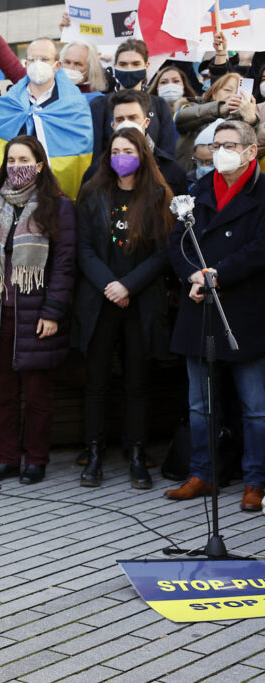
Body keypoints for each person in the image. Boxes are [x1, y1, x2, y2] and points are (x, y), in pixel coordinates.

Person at [164, 121, 265, 513]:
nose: (220, 151)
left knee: (255, 407)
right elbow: (177, 241)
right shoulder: (198, 190)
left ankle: (256, 480)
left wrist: (218, 275)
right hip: (199, 307)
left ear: (250, 151)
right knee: (199, 404)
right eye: (216, 144)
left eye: (229, 145)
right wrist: (192, 274)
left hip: (246, 311)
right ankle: (202, 473)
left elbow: (259, 248)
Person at [0, 136, 76, 485]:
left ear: (40, 164)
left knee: (38, 396)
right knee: (3, 395)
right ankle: (8, 459)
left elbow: (65, 264)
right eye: (10, 160)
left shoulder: (59, 206)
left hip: (37, 314)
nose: (16, 166)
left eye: (23, 159)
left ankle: (36, 460)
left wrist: (53, 311)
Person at [73, 128, 173, 488]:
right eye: (115, 150)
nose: (120, 156)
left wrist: (128, 285)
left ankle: (136, 454)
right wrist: (110, 285)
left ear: (142, 154)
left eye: (127, 150)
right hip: (100, 301)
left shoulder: (159, 195)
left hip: (140, 301)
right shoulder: (93, 193)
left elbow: (164, 253)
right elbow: (83, 249)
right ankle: (95, 453)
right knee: (96, 382)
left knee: (137, 383)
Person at [82, 89, 188, 198]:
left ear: (146, 123)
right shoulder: (95, 174)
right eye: (120, 119)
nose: (126, 123)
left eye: (133, 118)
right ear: (113, 126)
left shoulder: (172, 172)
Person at [90, 39, 177, 161]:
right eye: (123, 64)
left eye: (136, 64)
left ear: (147, 66)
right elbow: (95, 155)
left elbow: (167, 155)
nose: (129, 69)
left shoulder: (159, 105)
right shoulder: (99, 105)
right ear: (115, 66)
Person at [176, 73, 260, 173]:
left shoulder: (243, 120)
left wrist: (251, 121)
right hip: (185, 175)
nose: (233, 95)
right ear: (214, 94)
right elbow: (180, 118)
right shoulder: (194, 106)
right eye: (227, 90)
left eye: (239, 92)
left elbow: (251, 151)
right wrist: (220, 109)